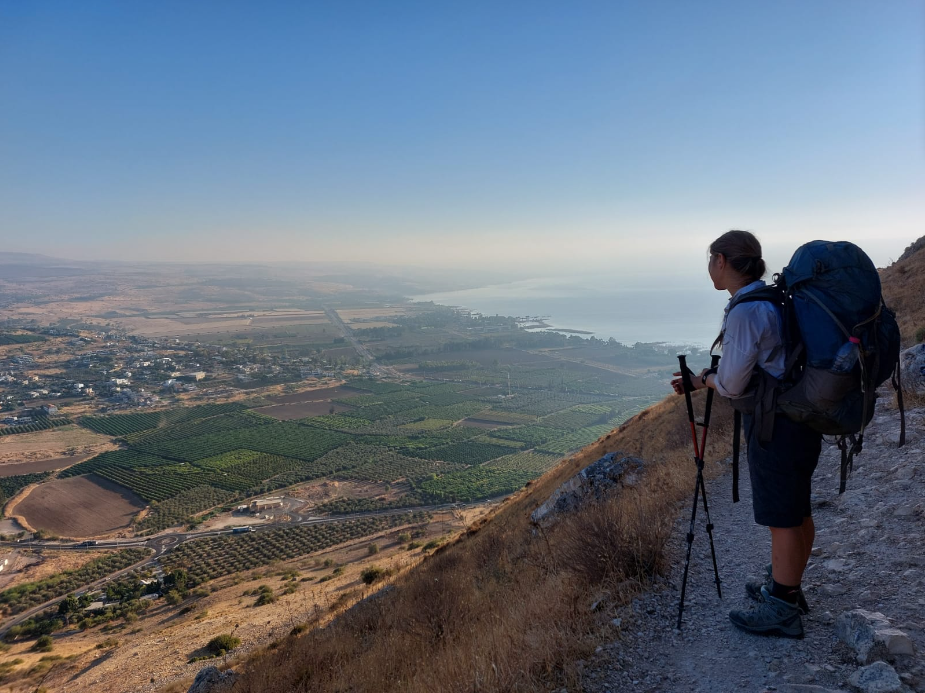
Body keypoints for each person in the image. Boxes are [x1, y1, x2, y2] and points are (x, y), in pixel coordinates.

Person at [670, 230, 821, 639]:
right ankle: (785, 587)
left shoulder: (745, 311)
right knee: (798, 507)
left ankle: (783, 608)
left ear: (721, 261)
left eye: (710, 262)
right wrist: (705, 381)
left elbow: (734, 384)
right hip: (802, 414)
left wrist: (707, 379)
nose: (709, 270)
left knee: (782, 516)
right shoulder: (773, 298)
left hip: (775, 423)